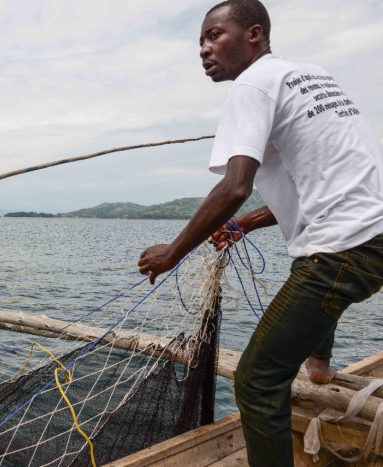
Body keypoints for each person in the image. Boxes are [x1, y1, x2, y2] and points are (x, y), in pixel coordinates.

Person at [137, 1, 383, 465]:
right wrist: (246, 223)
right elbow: (315, 189)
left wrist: (172, 252)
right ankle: (321, 367)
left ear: (254, 34)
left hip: (345, 248)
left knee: (256, 379)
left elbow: (235, 186)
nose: (204, 50)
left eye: (214, 36)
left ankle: (314, 367)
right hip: (374, 237)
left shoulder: (251, 84)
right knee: (312, 274)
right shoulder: (310, 76)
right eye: (201, 42)